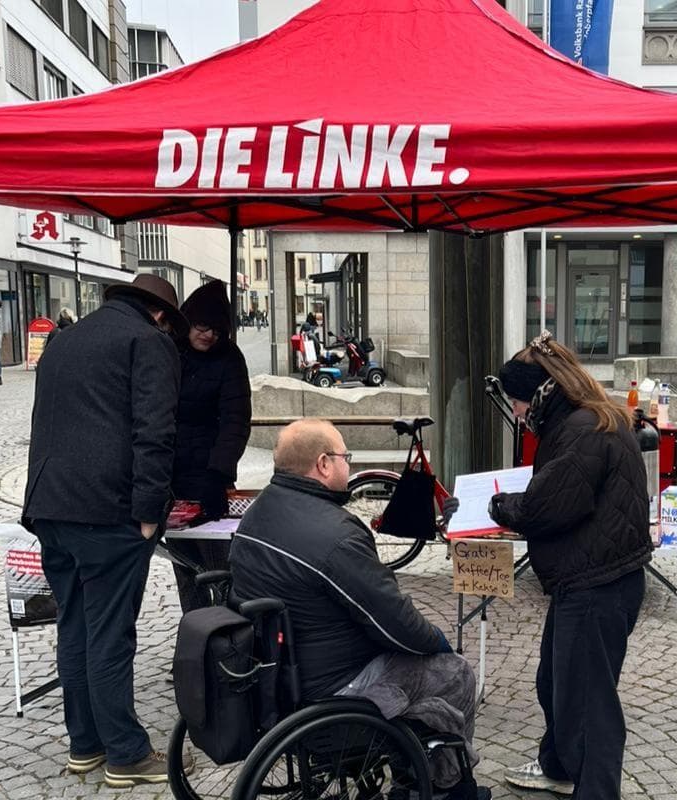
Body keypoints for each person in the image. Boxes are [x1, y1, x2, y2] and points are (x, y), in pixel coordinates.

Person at [229, 419, 490, 800]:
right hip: (333, 688)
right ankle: (439, 786)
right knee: (455, 672)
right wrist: (436, 641)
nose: (348, 465)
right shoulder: (336, 535)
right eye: (344, 457)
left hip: (276, 675)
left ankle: (414, 762)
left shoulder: (255, 514)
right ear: (322, 464)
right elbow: (395, 623)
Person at [22, 274, 190, 788]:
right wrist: (147, 513)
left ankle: (85, 744)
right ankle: (125, 753)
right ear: (160, 314)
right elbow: (155, 433)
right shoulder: (149, 342)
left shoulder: (63, 340)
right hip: (108, 510)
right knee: (110, 633)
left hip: (50, 505)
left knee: (75, 626)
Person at [488, 331, 652, 800]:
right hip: (593, 578)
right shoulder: (588, 419)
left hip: (596, 585)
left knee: (588, 706)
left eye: (517, 403)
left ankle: (595, 790)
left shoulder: (583, 428)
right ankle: (557, 765)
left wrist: (497, 506)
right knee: (555, 681)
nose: (516, 414)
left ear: (540, 392)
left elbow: (547, 507)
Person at [170, 280, 251, 612]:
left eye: (217, 330)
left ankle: (227, 630)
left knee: (218, 563)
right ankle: (195, 626)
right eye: (203, 327)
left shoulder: (229, 359)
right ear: (188, 322)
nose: (209, 335)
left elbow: (236, 420)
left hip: (208, 476)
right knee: (184, 564)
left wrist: (219, 472)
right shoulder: (168, 351)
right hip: (169, 475)